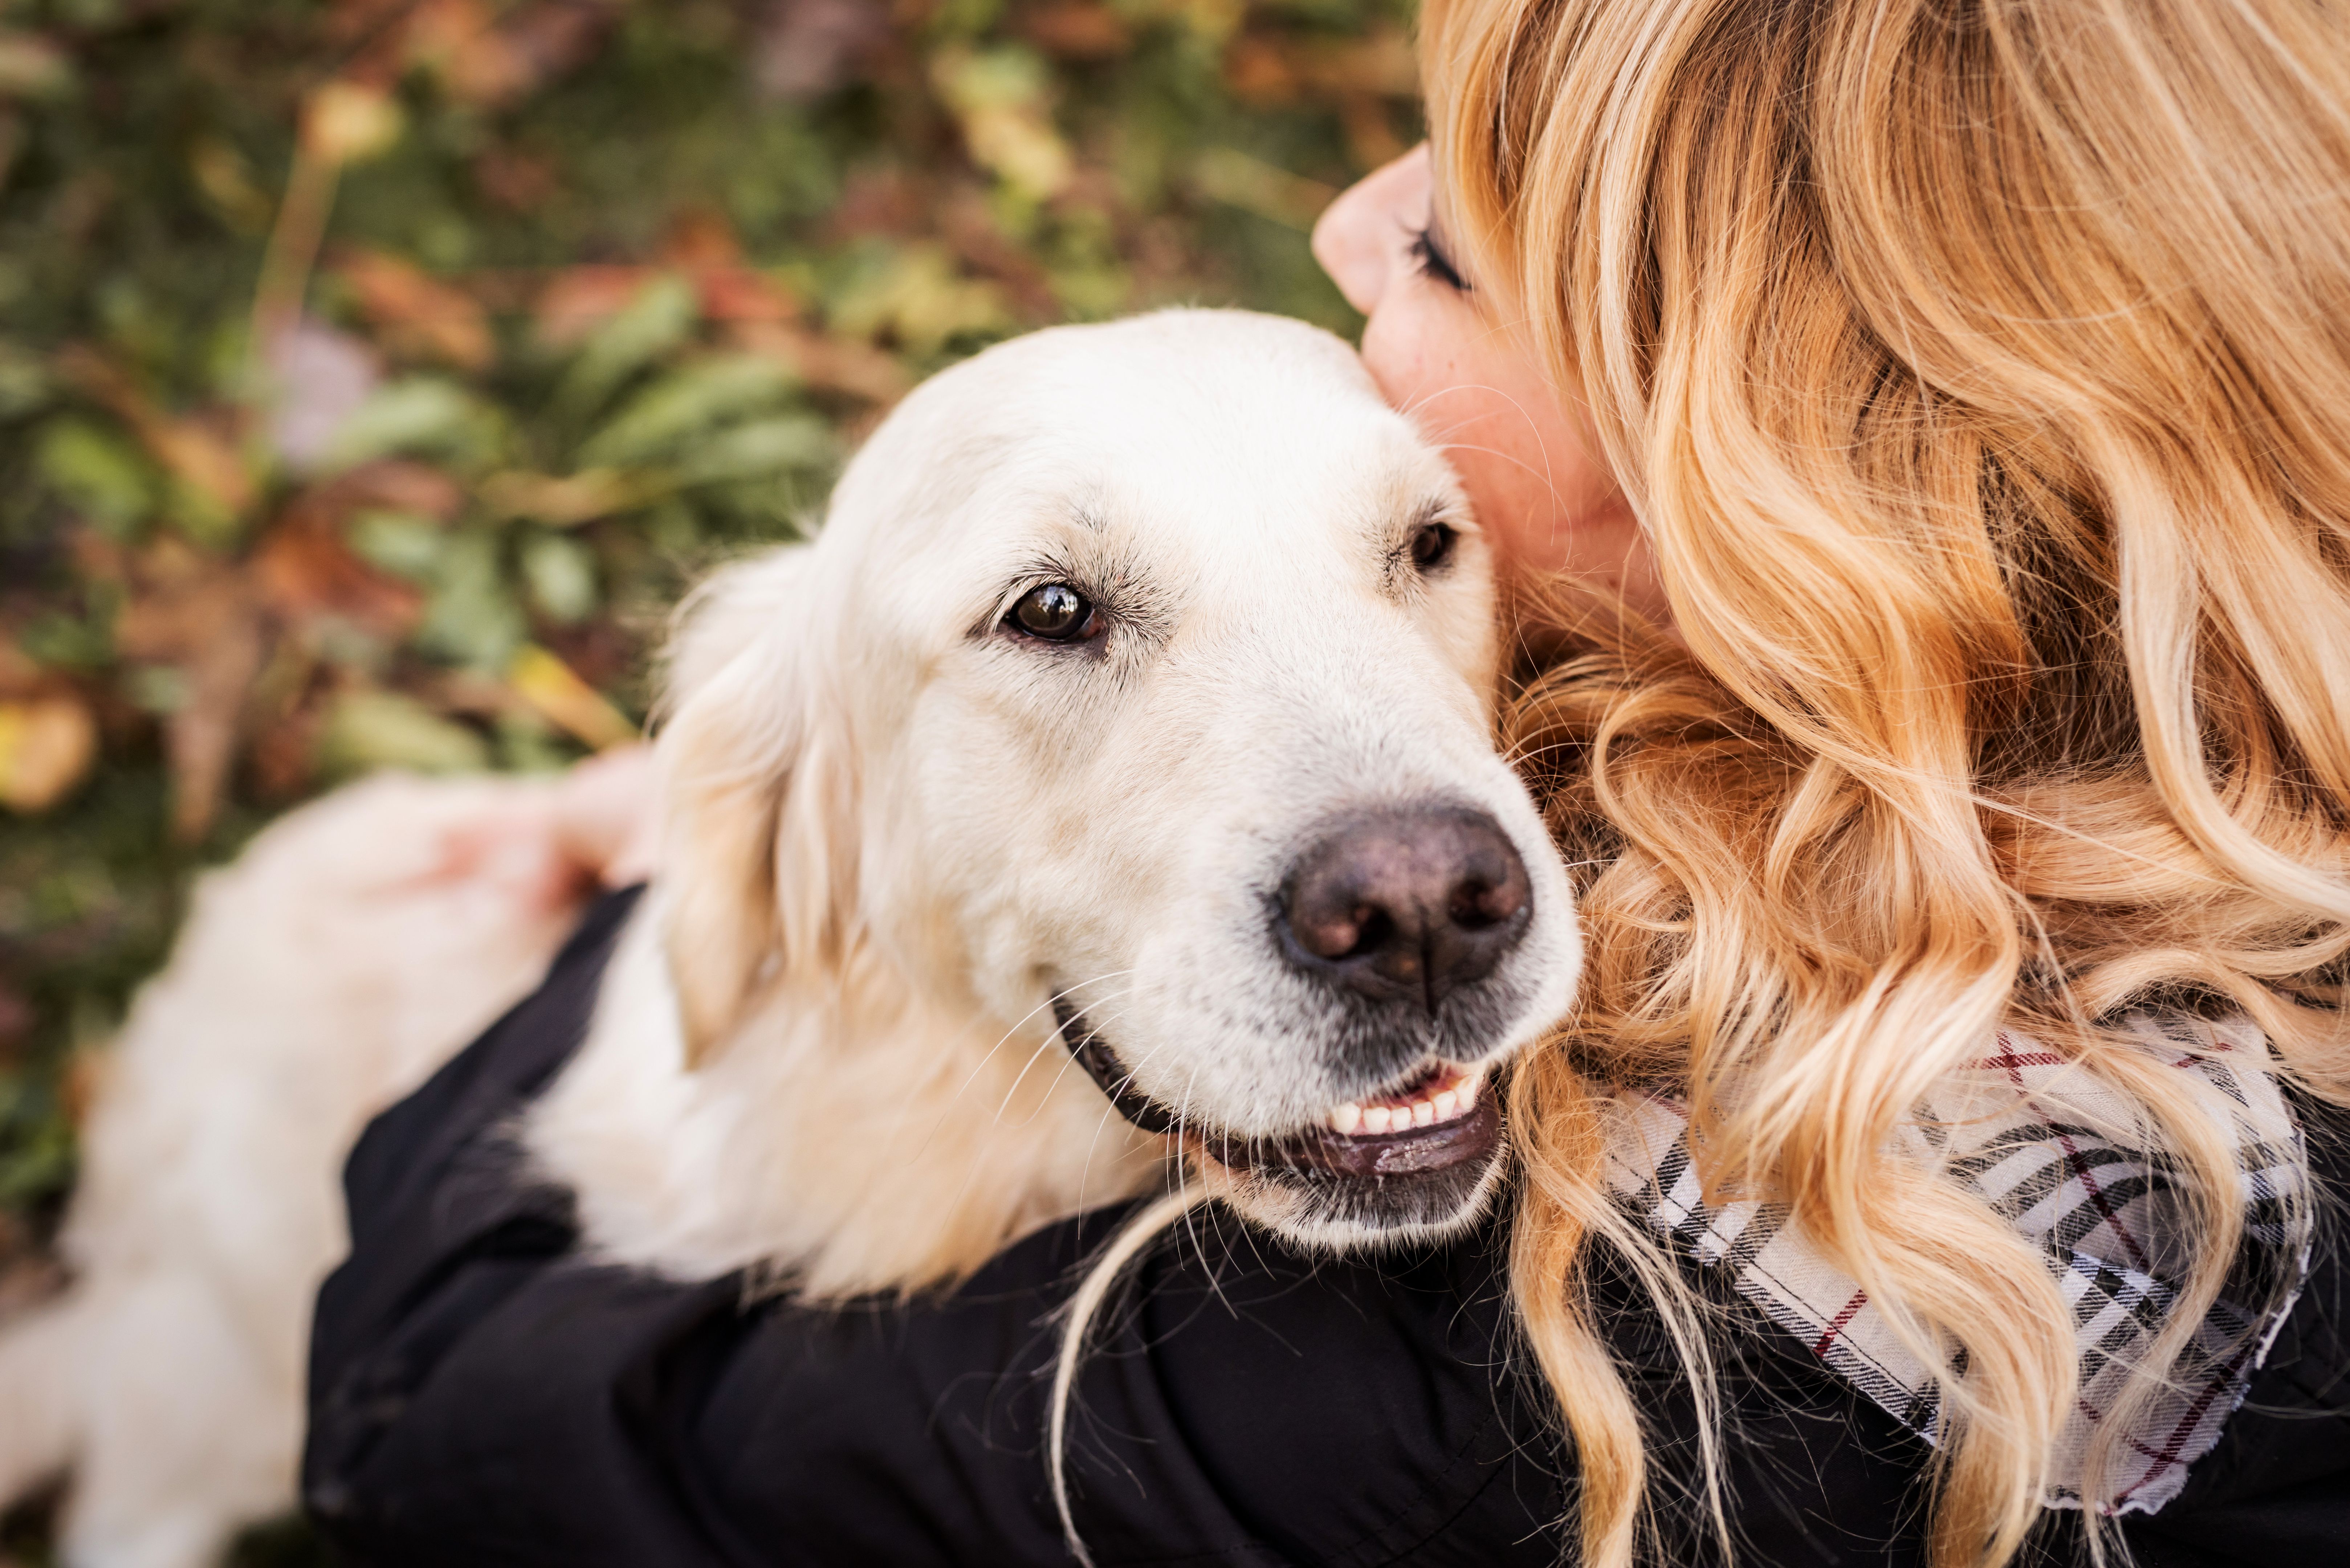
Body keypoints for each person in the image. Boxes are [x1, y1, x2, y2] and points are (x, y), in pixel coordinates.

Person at [302, 2, 2350, 1564]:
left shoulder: (1751, 1284)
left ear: (1758, 461)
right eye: (1059, 613)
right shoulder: (2067, 737)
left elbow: (429, 1442)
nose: (1337, 224)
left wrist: (660, 894)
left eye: (1449, 249)